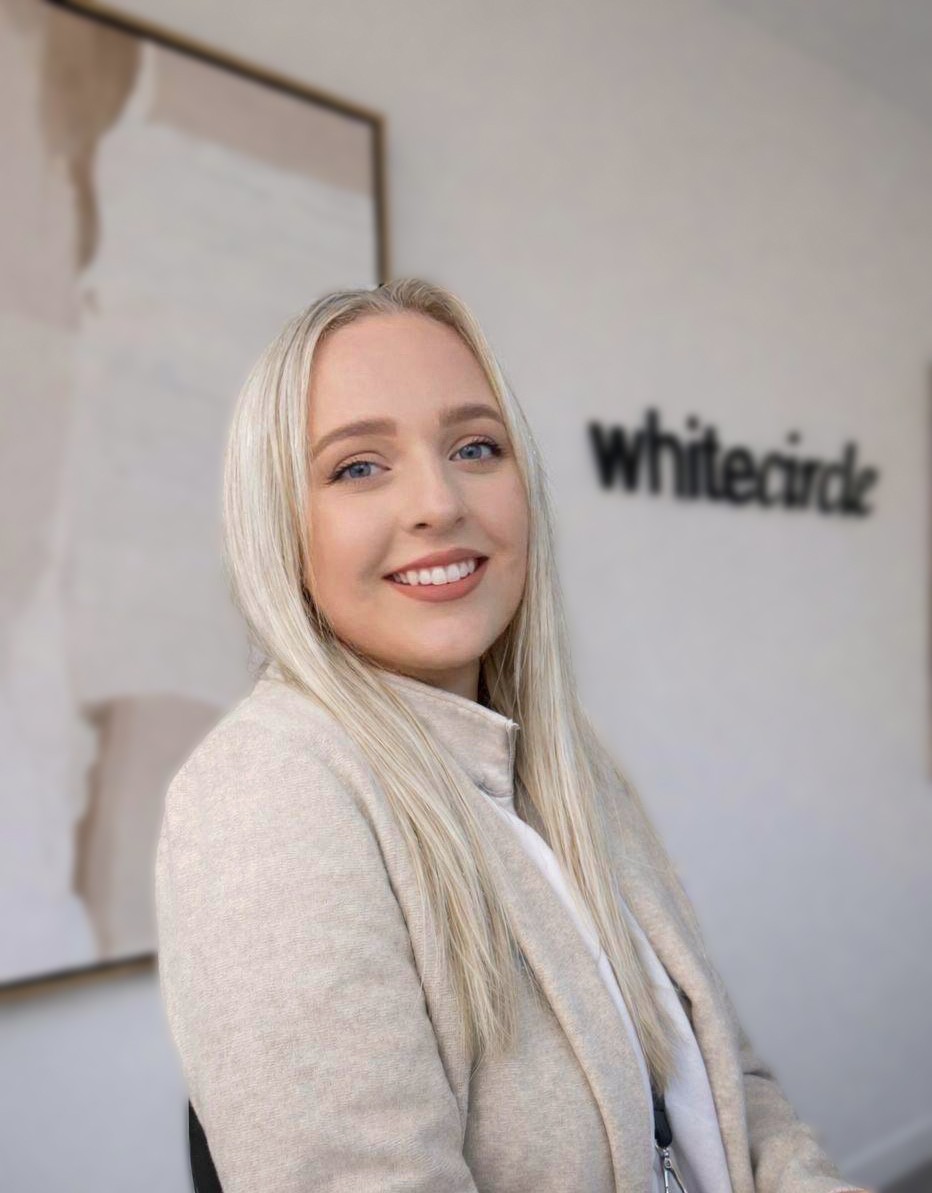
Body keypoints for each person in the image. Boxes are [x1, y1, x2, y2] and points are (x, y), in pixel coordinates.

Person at [154, 278, 870, 1193]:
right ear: (282, 525)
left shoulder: (567, 765)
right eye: (359, 466)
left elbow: (731, 1086)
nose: (439, 502)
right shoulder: (268, 794)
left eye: (475, 447)